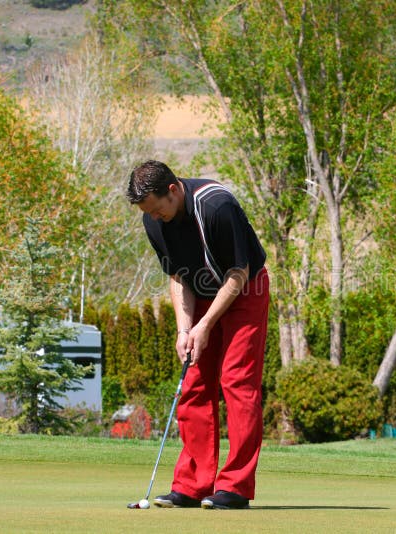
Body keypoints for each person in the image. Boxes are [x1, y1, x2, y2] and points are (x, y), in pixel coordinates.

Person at [126, 160, 269, 510]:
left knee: (237, 381)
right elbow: (178, 276)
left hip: (244, 291)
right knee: (194, 384)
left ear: (173, 190)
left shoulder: (217, 206)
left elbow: (239, 272)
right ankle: (192, 484)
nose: (155, 218)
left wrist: (206, 326)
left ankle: (234, 487)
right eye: (149, 213)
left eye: (159, 210)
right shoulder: (153, 220)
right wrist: (185, 329)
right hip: (199, 292)